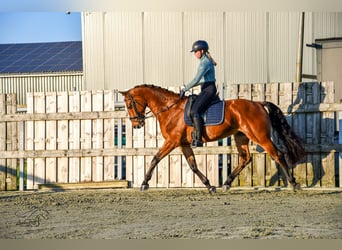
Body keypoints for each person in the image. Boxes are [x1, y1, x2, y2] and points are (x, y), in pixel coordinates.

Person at [180, 40, 217, 147]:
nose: (195, 54)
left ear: (202, 51)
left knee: (195, 111)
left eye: (196, 51)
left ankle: (199, 138)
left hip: (208, 90)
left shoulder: (205, 63)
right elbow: (200, 81)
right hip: (205, 88)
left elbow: (196, 79)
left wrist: (185, 89)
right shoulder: (203, 61)